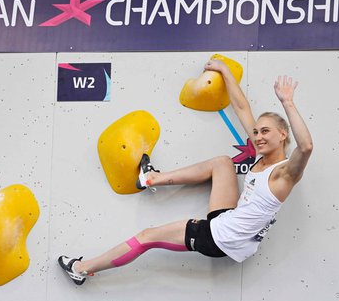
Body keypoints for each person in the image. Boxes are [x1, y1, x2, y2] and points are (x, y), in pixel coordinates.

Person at [58, 59, 313, 285]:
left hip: (220, 238)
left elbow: (306, 146)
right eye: (256, 132)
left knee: (147, 237)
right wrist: (224, 71)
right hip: (234, 227)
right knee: (223, 163)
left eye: (265, 132)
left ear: (282, 134)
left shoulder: (284, 174)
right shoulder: (263, 155)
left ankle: (81, 269)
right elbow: (242, 108)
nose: (257, 137)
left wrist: (288, 103)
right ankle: (152, 178)